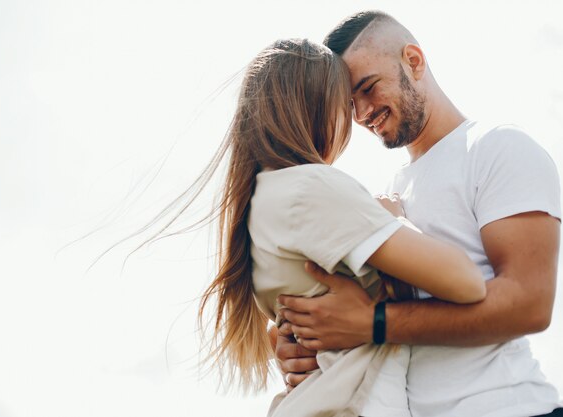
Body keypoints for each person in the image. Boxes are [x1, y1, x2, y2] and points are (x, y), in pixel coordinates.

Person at [275, 10, 563, 417]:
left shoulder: (498, 148)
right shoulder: (384, 193)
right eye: (350, 103)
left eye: (368, 88)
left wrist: (374, 323)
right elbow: (344, 310)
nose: (361, 115)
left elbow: (529, 304)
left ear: (413, 61)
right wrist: (302, 343)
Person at [190, 38, 487, 417]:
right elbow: (466, 280)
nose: (355, 119)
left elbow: (292, 313)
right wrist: (393, 216)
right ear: (316, 107)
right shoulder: (312, 187)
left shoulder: (259, 201)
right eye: (345, 105)